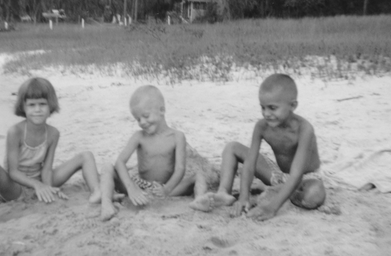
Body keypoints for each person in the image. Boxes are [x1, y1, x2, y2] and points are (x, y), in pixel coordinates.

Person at [0, 77, 103, 230]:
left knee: (86, 155)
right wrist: (36, 185)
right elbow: (13, 171)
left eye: (42, 104)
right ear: (23, 107)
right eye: (31, 105)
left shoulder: (53, 133)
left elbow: (46, 168)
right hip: (15, 186)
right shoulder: (16, 131)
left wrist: (48, 189)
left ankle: (97, 192)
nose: (37, 109)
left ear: (50, 105)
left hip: (40, 179)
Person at [213, 74, 326, 221]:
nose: (266, 113)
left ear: (293, 106)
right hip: (279, 175)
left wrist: (271, 208)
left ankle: (280, 192)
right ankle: (224, 193)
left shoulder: (304, 129)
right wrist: (243, 197)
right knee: (232, 147)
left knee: (313, 196)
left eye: (272, 108)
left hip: (305, 178)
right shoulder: (262, 127)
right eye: (263, 107)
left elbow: (297, 174)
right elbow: (249, 165)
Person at [99, 85, 214, 221]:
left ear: (162, 110)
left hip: (167, 188)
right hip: (140, 186)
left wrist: (166, 190)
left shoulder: (177, 137)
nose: (142, 122)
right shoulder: (139, 136)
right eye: (137, 119)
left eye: (145, 116)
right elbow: (120, 162)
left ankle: (199, 199)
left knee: (198, 176)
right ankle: (106, 203)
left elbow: (180, 169)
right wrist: (131, 188)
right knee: (107, 166)